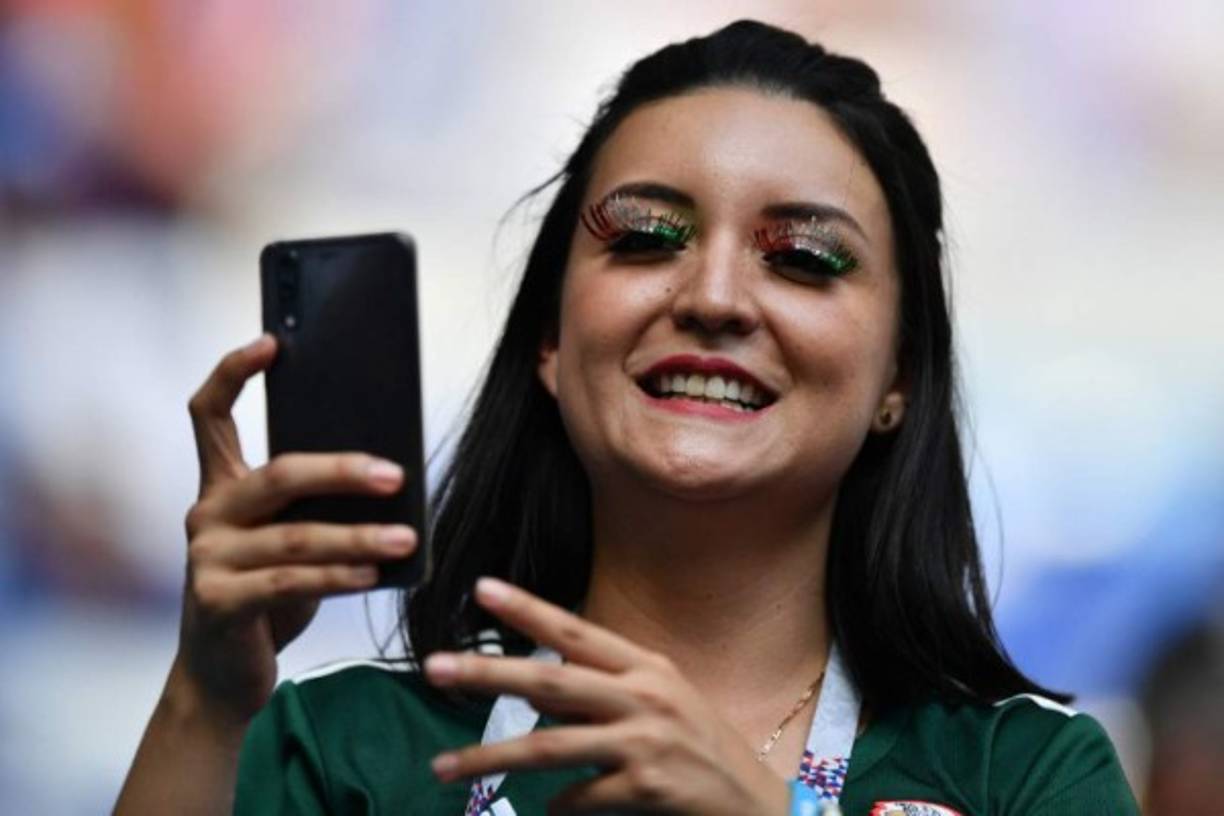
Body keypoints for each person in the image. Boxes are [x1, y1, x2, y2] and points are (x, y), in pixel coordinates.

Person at [116, 20, 1139, 815]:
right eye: (647, 238)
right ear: (551, 342)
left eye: (805, 258)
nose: (715, 297)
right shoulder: (344, 747)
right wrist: (205, 698)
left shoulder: (1025, 773)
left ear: (896, 380)